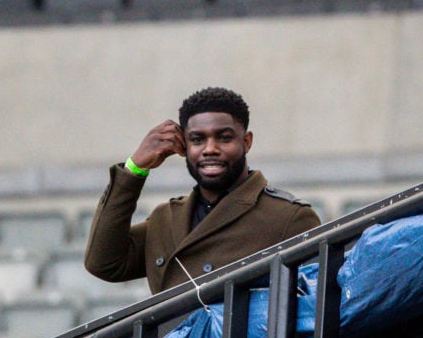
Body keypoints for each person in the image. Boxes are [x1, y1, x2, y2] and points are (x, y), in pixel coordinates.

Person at [84, 86, 321, 294]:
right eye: (197, 139)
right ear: (183, 146)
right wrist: (135, 169)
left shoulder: (288, 218)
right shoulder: (164, 219)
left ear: (246, 142)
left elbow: (312, 311)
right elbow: (103, 263)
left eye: (224, 138)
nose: (210, 149)